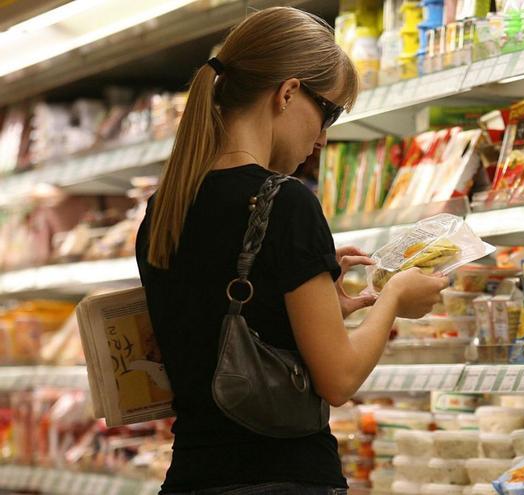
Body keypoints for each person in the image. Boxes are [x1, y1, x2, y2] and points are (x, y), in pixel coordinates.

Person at [135, 7, 447, 495]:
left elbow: (210, 325)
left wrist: (318, 302)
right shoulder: (286, 201)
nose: (323, 138)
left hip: (190, 478)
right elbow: (339, 381)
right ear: (288, 93)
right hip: (282, 477)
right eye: (330, 113)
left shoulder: (165, 206)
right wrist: (394, 300)